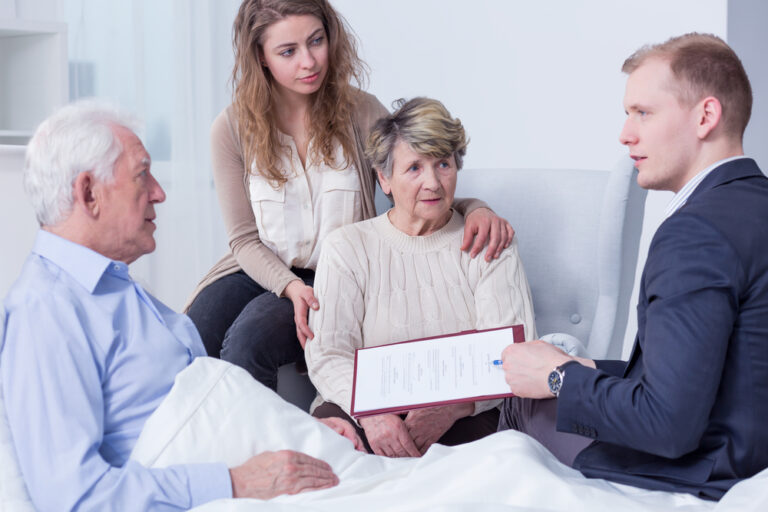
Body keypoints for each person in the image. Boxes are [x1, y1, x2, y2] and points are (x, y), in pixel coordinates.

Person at [0, 101, 365, 512]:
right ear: (89, 193)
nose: (159, 191)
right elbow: (73, 497)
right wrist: (234, 482)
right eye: (142, 174)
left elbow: (214, 412)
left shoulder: (115, 290)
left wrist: (295, 432)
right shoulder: (45, 312)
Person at [184, 0, 514, 391]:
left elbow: (410, 189)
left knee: (247, 344)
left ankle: (264, 450)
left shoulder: (362, 113)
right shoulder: (231, 127)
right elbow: (242, 238)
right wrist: (289, 286)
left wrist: (475, 207)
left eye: (316, 41)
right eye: (288, 52)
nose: (309, 62)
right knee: (190, 337)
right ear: (261, 56)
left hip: (335, 274)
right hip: (259, 266)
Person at [498, 33, 768, 500]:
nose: (625, 133)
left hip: (710, 465)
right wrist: (585, 368)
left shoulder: (694, 233)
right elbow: (715, 369)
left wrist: (557, 377)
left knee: (521, 404)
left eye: (643, 113)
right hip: (749, 440)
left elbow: (668, 425)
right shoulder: (753, 203)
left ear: (706, 116)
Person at [305, 97, 537, 457]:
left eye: (443, 164)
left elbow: (514, 356)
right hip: (362, 409)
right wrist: (373, 413)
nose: (433, 182)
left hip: (467, 413)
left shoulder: (489, 241)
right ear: (384, 178)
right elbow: (328, 353)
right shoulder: (347, 248)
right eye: (414, 168)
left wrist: (451, 407)